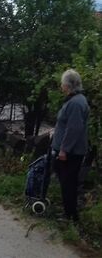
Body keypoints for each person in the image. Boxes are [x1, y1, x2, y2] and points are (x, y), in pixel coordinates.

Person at [51, 69, 89, 222]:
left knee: (68, 183)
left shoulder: (75, 103)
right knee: (67, 182)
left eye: (62, 84)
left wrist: (64, 150)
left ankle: (70, 216)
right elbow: (66, 124)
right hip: (69, 150)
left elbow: (74, 129)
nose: (61, 86)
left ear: (68, 85)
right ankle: (70, 213)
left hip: (70, 152)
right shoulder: (75, 100)